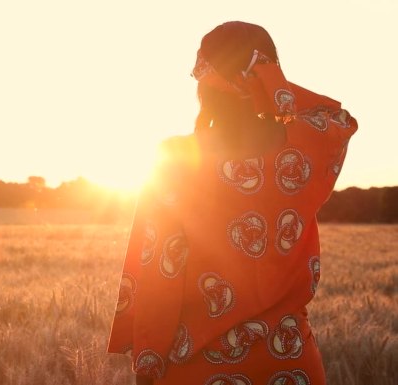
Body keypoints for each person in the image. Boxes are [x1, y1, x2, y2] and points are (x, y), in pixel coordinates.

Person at [108, 21, 357, 385]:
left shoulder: (177, 160)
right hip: (290, 364)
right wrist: (270, 87)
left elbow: (159, 272)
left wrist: (147, 369)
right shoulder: (300, 151)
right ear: (271, 75)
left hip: (198, 368)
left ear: (204, 81)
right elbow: (339, 119)